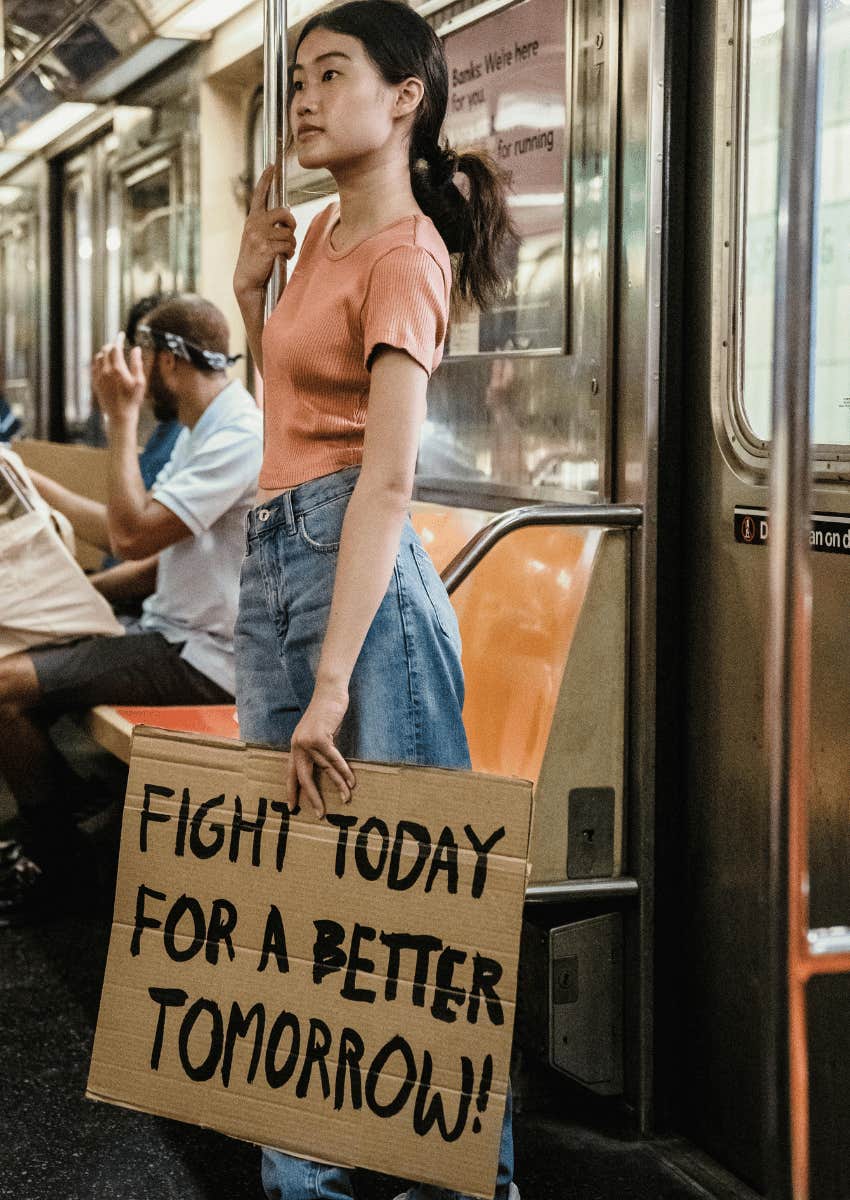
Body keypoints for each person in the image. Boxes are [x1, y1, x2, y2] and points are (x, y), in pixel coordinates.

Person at [232, 3, 518, 1197]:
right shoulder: (315, 245)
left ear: (405, 98)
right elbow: (291, 414)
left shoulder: (405, 254)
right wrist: (249, 288)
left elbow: (385, 479)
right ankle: (316, 1169)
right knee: (297, 883)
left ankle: (465, 1177)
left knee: (413, 903)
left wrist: (337, 676)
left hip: (361, 587)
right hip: (278, 557)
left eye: (329, 73)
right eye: (295, 77)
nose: (302, 97)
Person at [0, 295, 262, 924]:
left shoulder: (240, 434)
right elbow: (146, 547)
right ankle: (74, 821)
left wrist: (119, 421)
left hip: (204, 657)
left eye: (142, 358)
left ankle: (63, 862)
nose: (137, 379)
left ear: (168, 359)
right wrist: (33, 484)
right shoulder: (208, 427)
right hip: (164, 632)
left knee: (4, 688)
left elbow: (132, 535)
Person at [27, 294, 184, 596]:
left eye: (142, 355)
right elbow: (120, 530)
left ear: (168, 360)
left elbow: (141, 556)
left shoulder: (196, 437)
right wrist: (26, 480)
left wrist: (77, 594)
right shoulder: (168, 434)